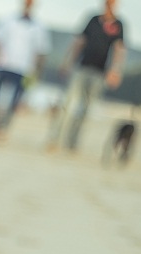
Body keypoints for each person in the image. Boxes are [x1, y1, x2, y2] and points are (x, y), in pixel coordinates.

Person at [46, 0, 126, 152]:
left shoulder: (118, 25)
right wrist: (67, 62)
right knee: (67, 104)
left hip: (99, 72)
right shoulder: (94, 20)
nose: (109, 5)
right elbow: (79, 41)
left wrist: (115, 71)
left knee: (87, 109)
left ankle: (72, 143)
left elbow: (119, 50)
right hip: (82, 68)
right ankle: (54, 139)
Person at [0, 0, 50, 142]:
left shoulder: (39, 27)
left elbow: (41, 52)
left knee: (14, 102)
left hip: (24, 69)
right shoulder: (8, 19)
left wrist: (36, 73)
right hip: (3, 65)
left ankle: (1, 129)